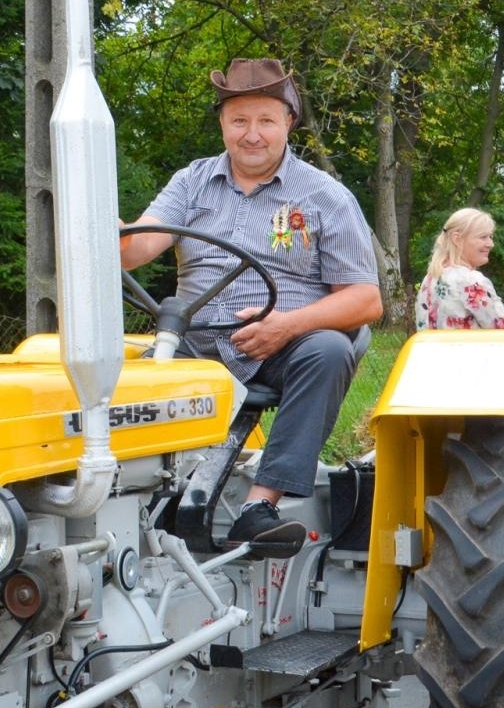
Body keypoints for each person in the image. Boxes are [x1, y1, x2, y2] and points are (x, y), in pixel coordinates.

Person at [119, 57, 383, 551]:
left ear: (289, 122)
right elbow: (137, 247)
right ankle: (133, 505)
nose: (252, 134)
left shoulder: (325, 196)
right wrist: (105, 227)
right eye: (239, 120)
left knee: (328, 351)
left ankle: (259, 507)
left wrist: (287, 326)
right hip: (194, 343)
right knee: (122, 382)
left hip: (281, 349)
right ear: (222, 123)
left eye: (266, 120)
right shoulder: (192, 181)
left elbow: (365, 299)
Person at [414, 208, 504, 330]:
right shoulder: (470, 280)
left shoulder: (430, 279)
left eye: (490, 237)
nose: (490, 244)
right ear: (457, 239)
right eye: (483, 237)